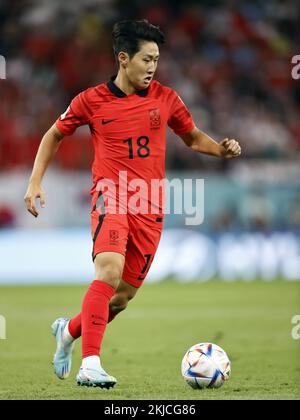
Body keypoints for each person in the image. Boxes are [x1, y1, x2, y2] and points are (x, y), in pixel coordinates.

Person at [24, 19, 241, 389]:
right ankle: (90, 364)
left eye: (156, 59)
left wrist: (219, 150)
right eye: (146, 59)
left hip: (150, 207)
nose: (153, 66)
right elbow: (54, 134)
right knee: (107, 271)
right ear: (124, 59)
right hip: (112, 194)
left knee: (120, 298)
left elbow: (191, 138)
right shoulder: (90, 100)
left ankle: (68, 332)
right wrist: (34, 181)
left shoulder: (166, 98)